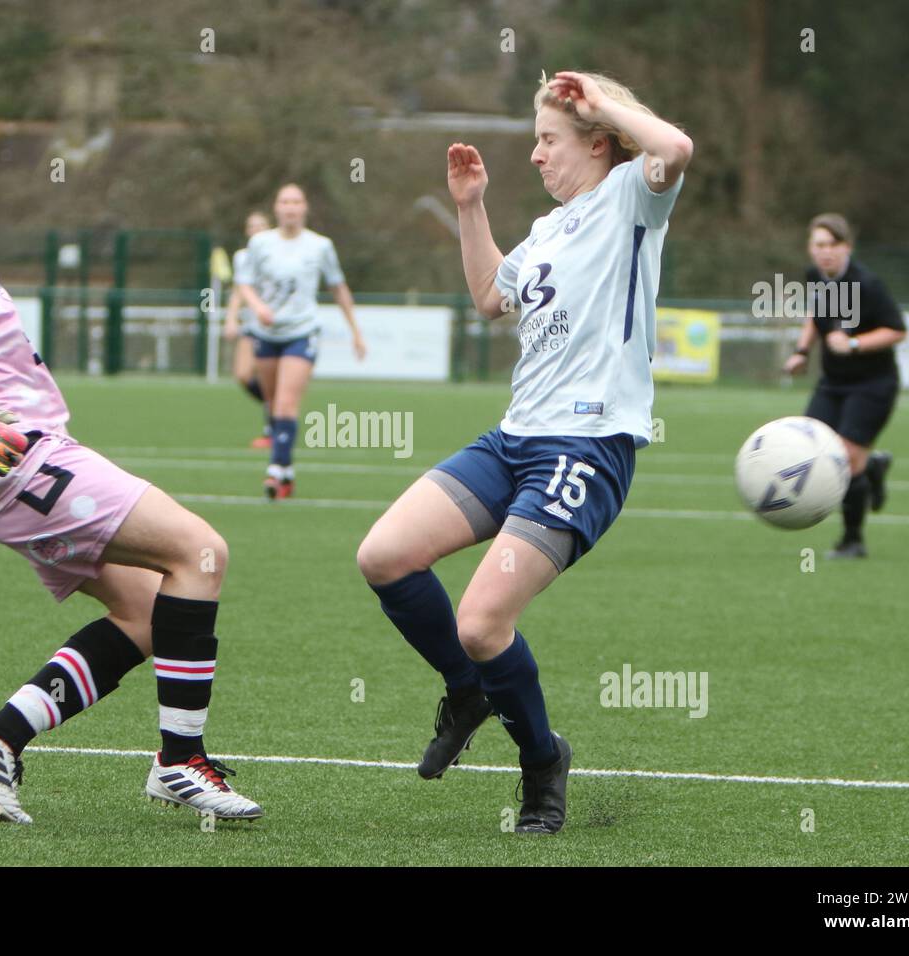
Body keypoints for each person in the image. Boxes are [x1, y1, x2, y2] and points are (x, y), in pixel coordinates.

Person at [0, 64, 261, 825]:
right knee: (200, 553)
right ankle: (180, 762)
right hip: (14, 463)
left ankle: (2, 734)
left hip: (17, 462)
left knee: (145, 610)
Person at [356, 71, 692, 835]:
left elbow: (675, 146)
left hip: (585, 448)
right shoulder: (549, 229)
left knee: (482, 623)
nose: (536, 156)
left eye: (548, 140)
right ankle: (467, 689)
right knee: (385, 556)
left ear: (598, 142)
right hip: (514, 439)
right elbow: (488, 297)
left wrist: (601, 102)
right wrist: (470, 206)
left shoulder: (632, 197)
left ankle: (542, 760)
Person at [782, 213, 905, 558]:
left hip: (873, 384)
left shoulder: (868, 284)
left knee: (848, 458)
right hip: (833, 383)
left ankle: (853, 541)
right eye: (818, 244)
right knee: (810, 448)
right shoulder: (814, 276)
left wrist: (854, 344)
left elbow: (897, 330)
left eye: (833, 244)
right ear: (810, 248)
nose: (825, 251)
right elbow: (816, 314)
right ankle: (873, 465)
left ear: (847, 246)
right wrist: (802, 351)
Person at [234, 183, 366, 499]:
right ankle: (287, 470)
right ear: (276, 208)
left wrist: (356, 331)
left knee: (285, 402)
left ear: (304, 207)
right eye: (285, 202)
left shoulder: (320, 246)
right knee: (272, 402)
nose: (291, 207)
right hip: (266, 334)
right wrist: (257, 307)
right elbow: (244, 283)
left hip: (302, 332)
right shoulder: (260, 244)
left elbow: (338, 287)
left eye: (296, 202)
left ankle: (275, 470)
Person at [222, 210, 273, 449]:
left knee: (267, 378)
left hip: (272, 326)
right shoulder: (242, 257)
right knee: (243, 375)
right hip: (251, 324)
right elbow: (239, 291)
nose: (257, 230)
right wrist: (231, 319)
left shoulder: (278, 254)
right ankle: (279, 407)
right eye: (252, 226)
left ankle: (273, 427)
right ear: (247, 231)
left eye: (261, 225)